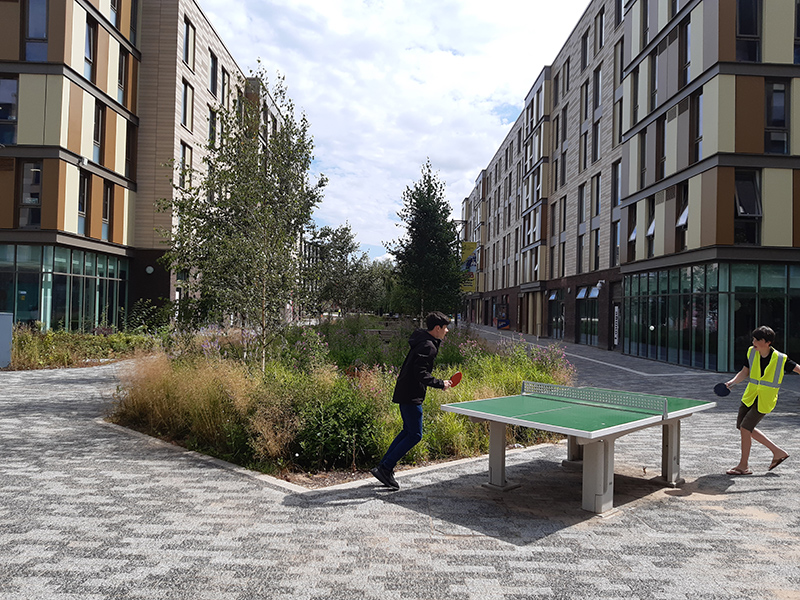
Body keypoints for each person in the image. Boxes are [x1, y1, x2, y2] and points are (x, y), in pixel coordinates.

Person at [371, 311, 453, 489]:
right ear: (437, 328)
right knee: (415, 435)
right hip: (410, 394)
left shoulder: (423, 340)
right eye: (446, 328)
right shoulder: (428, 346)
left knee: (407, 431)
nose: (447, 331)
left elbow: (418, 371)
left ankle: (383, 467)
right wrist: (441, 384)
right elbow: (421, 373)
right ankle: (385, 468)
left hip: (406, 391)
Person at [723, 325, 799, 475]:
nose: (753, 342)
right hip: (750, 396)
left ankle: (743, 466)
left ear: (767, 342)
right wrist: (732, 383)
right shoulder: (752, 352)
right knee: (742, 427)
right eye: (753, 339)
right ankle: (777, 452)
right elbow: (745, 372)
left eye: (757, 339)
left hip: (765, 400)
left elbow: (798, 369)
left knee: (745, 428)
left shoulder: (781, 358)